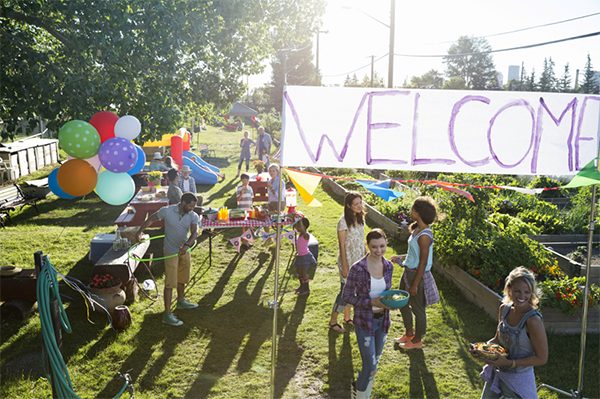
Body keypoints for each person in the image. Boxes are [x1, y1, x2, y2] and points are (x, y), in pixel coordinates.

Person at [469, 267, 548, 399]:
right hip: (497, 374)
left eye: (527, 292)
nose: (522, 296)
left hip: (518, 382)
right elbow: (497, 340)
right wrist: (480, 349)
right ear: (509, 289)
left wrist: (509, 363)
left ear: (532, 293)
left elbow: (542, 358)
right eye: (517, 291)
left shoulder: (533, 320)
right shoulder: (504, 310)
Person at [343, 228, 394, 399]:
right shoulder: (357, 268)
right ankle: (359, 395)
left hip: (383, 322)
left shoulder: (388, 266)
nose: (378, 251)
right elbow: (347, 296)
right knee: (371, 367)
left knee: (374, 364)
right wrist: (370, 303)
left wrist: (390, 303)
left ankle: (362, 393)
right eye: (374, 247)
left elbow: (385, 293)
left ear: (386, 243)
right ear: (367, 245)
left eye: (382, 246)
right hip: (365, 322)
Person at [136, 192, 200, 326]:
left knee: (183, 277)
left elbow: (195, 232)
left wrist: (187, 244)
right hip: (171, 251)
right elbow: (151, 219)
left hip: (184, 250)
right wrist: (139, 232)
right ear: (183, 203)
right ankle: (167, 314)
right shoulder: (167, 211)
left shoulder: (193, 215)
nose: (192, 208)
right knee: (170, 282)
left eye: (194, 206)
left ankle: (181, 301)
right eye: (191, 205)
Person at [391, 196, 440, 350]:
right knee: (401, 302)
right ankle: (409, 333)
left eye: (412, 209)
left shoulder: (425, 236)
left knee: (418, 309)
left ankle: (418, 340)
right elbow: (415, 254)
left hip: (417, 275)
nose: (410, 211)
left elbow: (423, 263)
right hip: (408, 271)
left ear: (419, 213)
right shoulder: (417, 229)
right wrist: (401, 257)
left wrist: (415, 284)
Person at [328, 192, 366, 334]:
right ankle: (333, 322)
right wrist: (345, 266)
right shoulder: (343, 221)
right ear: (348, 205)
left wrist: (366, 257)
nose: (359, 206)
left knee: (353, 290)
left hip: (359, 260)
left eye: (360, 203)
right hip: (348, 260)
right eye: (355, 204)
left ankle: (347, 318)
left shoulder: (361, 219)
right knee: (345, 292)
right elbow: (342, 245)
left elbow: (362, 240)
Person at [293, 216, 317, 296]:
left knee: (303, 273)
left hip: (304, 257)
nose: (297, 227)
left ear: (304, 227)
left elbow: (303, 230)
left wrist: (300, 220)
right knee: (298, 271)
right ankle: (301, 286)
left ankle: (306, 289)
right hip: (299, 256)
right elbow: (294, 226)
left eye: (299, 225)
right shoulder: (300, 234)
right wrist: (294, 218)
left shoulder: (306, 235)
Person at [263, 164, 286, 244]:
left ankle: (278, 242)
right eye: (270, 171)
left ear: (277, 172)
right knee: (266, 220)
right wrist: (268, 203)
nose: (271, 172)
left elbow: (278, 195)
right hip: (271, 203)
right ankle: (269, 239)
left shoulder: (280, 181)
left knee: (278, 223)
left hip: (278, 203)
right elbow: (270, 194)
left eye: (273, 171)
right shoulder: (271, 180)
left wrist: (270, 187)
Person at [236, 173, 254, 248]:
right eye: (244, 181)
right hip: (242, 209)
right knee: (244, 226)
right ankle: (244, 242)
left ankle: (247, 241)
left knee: (248, 225)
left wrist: (252, 207)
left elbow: (252, 198)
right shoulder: (239, 188)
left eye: (247, 181)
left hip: (249, 208)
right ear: (241, 180)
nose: (245, 182)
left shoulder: (250, 188)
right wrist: (242, 193)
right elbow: (238, 199)